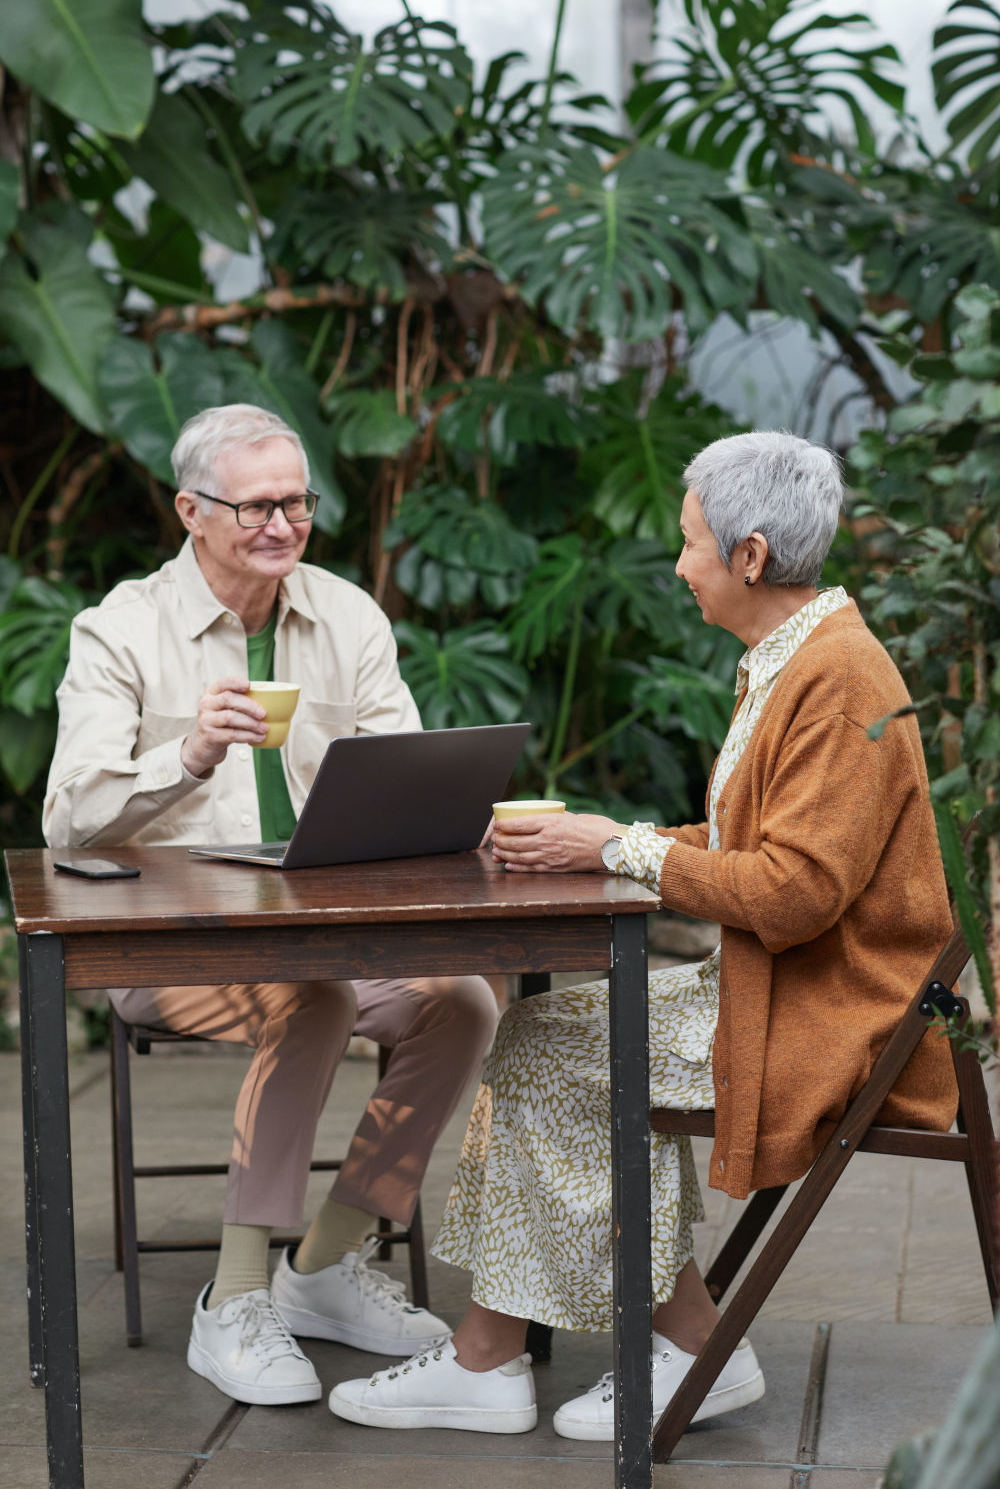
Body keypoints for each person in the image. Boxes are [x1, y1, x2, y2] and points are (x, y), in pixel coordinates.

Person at [328, 429, 958, 1439]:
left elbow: (794, 892)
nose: (675, 565)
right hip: (772, 987)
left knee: (553, 1053)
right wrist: (596, 844)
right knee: (546, 1040)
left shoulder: (836, 679)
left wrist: (621, 850)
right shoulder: (794, 657)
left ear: (749, 556)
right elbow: (758, 842)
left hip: (836, 1015)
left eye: (690, 542)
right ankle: (588, 1347)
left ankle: (612, 1352)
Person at [43, 404, 498, 1408]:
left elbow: (407, 776)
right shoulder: (118, 628)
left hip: (333, 935)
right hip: (166, 954)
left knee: (462, 999)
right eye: (255, 508)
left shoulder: (346, 616)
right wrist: (188, 756)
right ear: (191, 511)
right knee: (314, 998)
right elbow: (69, 818)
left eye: (296, 502)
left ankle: (325, 1267)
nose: (281, 525)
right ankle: (233, 1299)